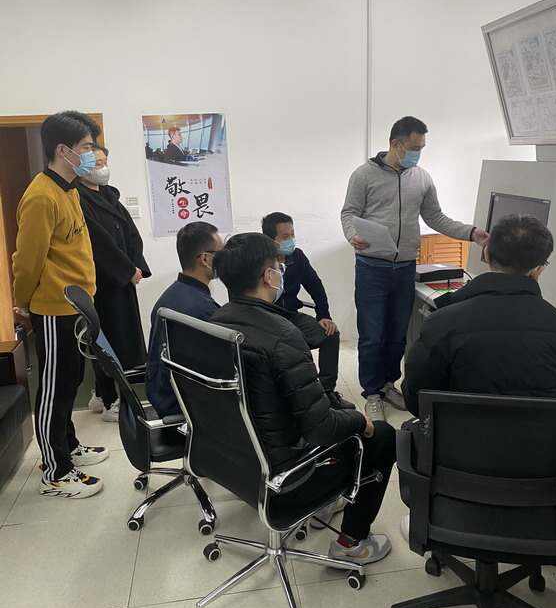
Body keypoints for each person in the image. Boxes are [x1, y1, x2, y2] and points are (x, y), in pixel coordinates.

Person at [212, 233, 397, 564]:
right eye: (279, 266)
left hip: (235, 463)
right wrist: (360, 421)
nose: (282, 271)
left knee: (342, 417)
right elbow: (322, 429)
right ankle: (351, 543)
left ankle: (326, 503)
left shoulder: (215, 322)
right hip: (288, 477)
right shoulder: (284, 336)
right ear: (268, 276)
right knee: (382, 436)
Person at [341, 115, 488, 422]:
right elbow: (349, 213)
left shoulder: (422, 178)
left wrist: (471, 232)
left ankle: (388, 384)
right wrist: (352, 234)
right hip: (372, 267)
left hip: (406, 267)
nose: (418, 153)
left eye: (421, 148)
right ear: (395, 144)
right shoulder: (363, 175)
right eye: (414, 147)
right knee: (372, 334)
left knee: (397, 334)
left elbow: (436, 217)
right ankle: (372, 393)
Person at [12, 111, 109, 499]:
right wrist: (22, 304)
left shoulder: (69, 189)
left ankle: (68, 445)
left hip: (76, 305)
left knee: (69, 381)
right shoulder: (40, 196)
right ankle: (55, 471)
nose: (93, 153)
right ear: (63, 150)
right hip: (53, 307)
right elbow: (27, 261)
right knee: (54, 387)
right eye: (87, 146)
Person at [402, 215, 556, 415]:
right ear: (538, 269)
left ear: (486, 254)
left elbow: (416, 400)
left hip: (459, 434)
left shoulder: (441, 323)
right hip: (538, 435)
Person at [77, 145, 151, 422]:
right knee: (107, 340)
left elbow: (131, 234)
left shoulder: (110, 196)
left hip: (123, 281)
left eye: (104, 161)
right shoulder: (77, 198)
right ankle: (110, 401)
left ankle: (101, 393)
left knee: (123, 339)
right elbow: (99, 243)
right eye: (97, 163)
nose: (103, 167)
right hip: (102, 283)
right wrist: (126, 269)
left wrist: (136, 267)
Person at [261, 211, 354, 410]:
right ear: (270, 240)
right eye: (285, 236)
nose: (291, 240)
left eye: (292, 234)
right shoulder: (259, 262)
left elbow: (315, 286)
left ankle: (327, 392)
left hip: (291, 316)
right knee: (290, 346)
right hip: (268, 321)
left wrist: (324, 315)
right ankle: (293, 397)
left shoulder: (297, 257)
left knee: (330, 334)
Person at [147, 221, 223, 417]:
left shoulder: (171, 296)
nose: (226, 260)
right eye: (221, 254)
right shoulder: (203, 310)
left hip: (164, 396)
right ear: (205, 259)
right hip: (183, 406)